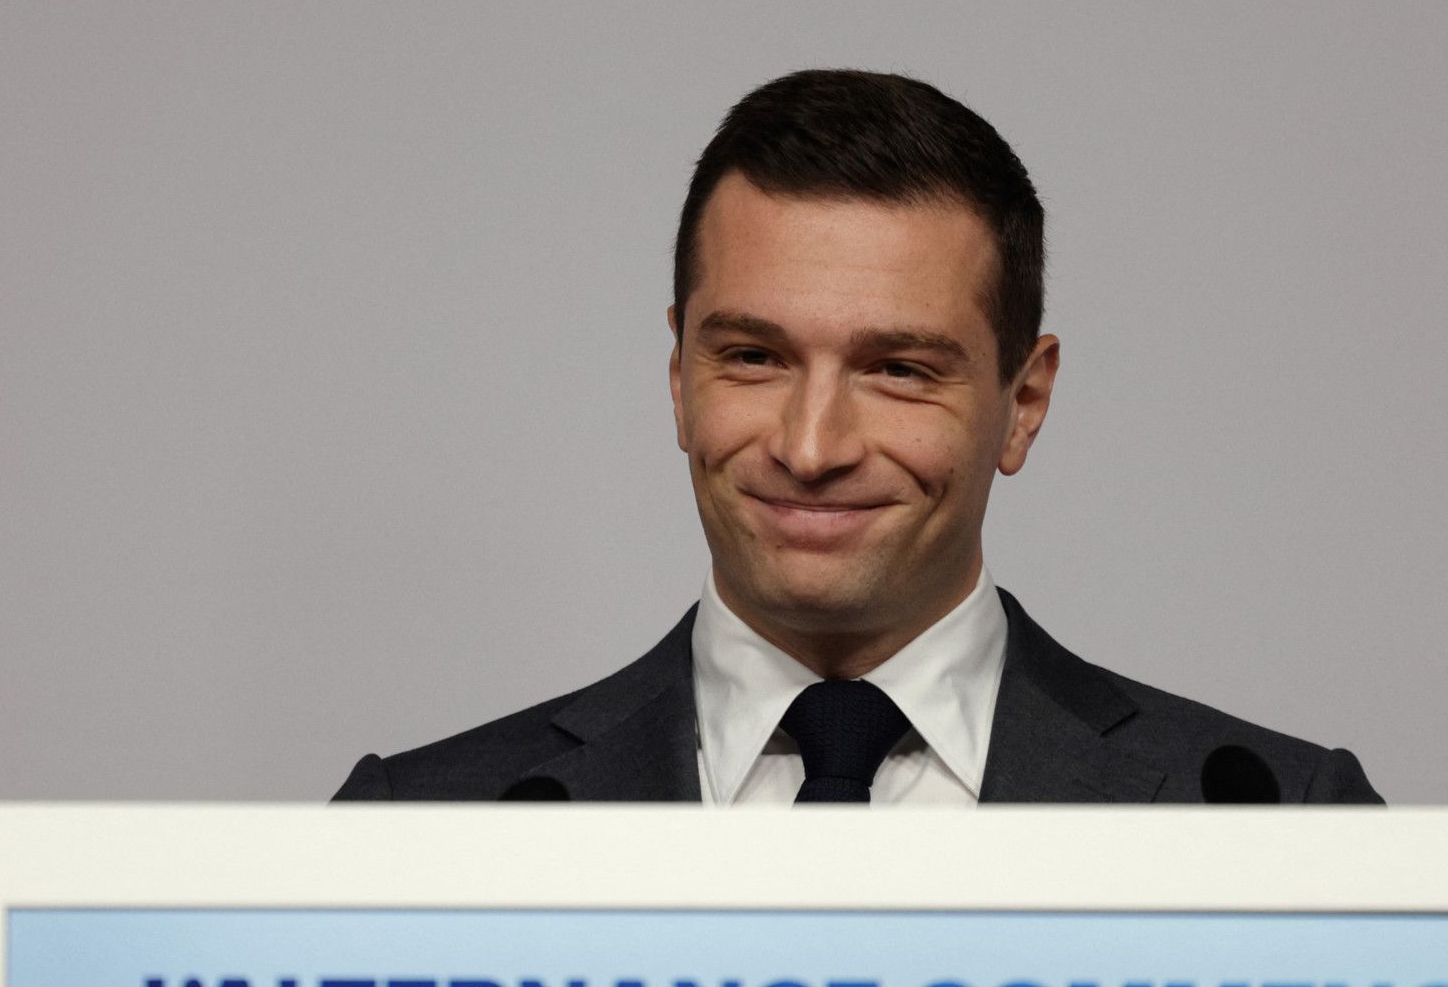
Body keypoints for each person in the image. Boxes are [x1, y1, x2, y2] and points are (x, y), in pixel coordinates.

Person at [333, 69, 1381, 806]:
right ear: (678, 377)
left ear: (1023, 401)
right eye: (753, 357)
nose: (811, 445)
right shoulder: (421, 827)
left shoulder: (1277, 820)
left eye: (898, 370)